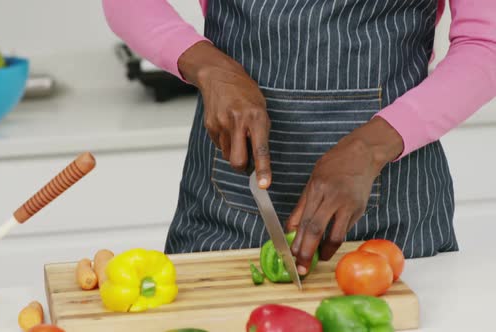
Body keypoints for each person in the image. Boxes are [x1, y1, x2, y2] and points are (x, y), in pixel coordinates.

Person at [102, 0, 496, 275]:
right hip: (225, 212)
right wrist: (208, 66)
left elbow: (486, 45)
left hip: (393, 223)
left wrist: (371, 146)